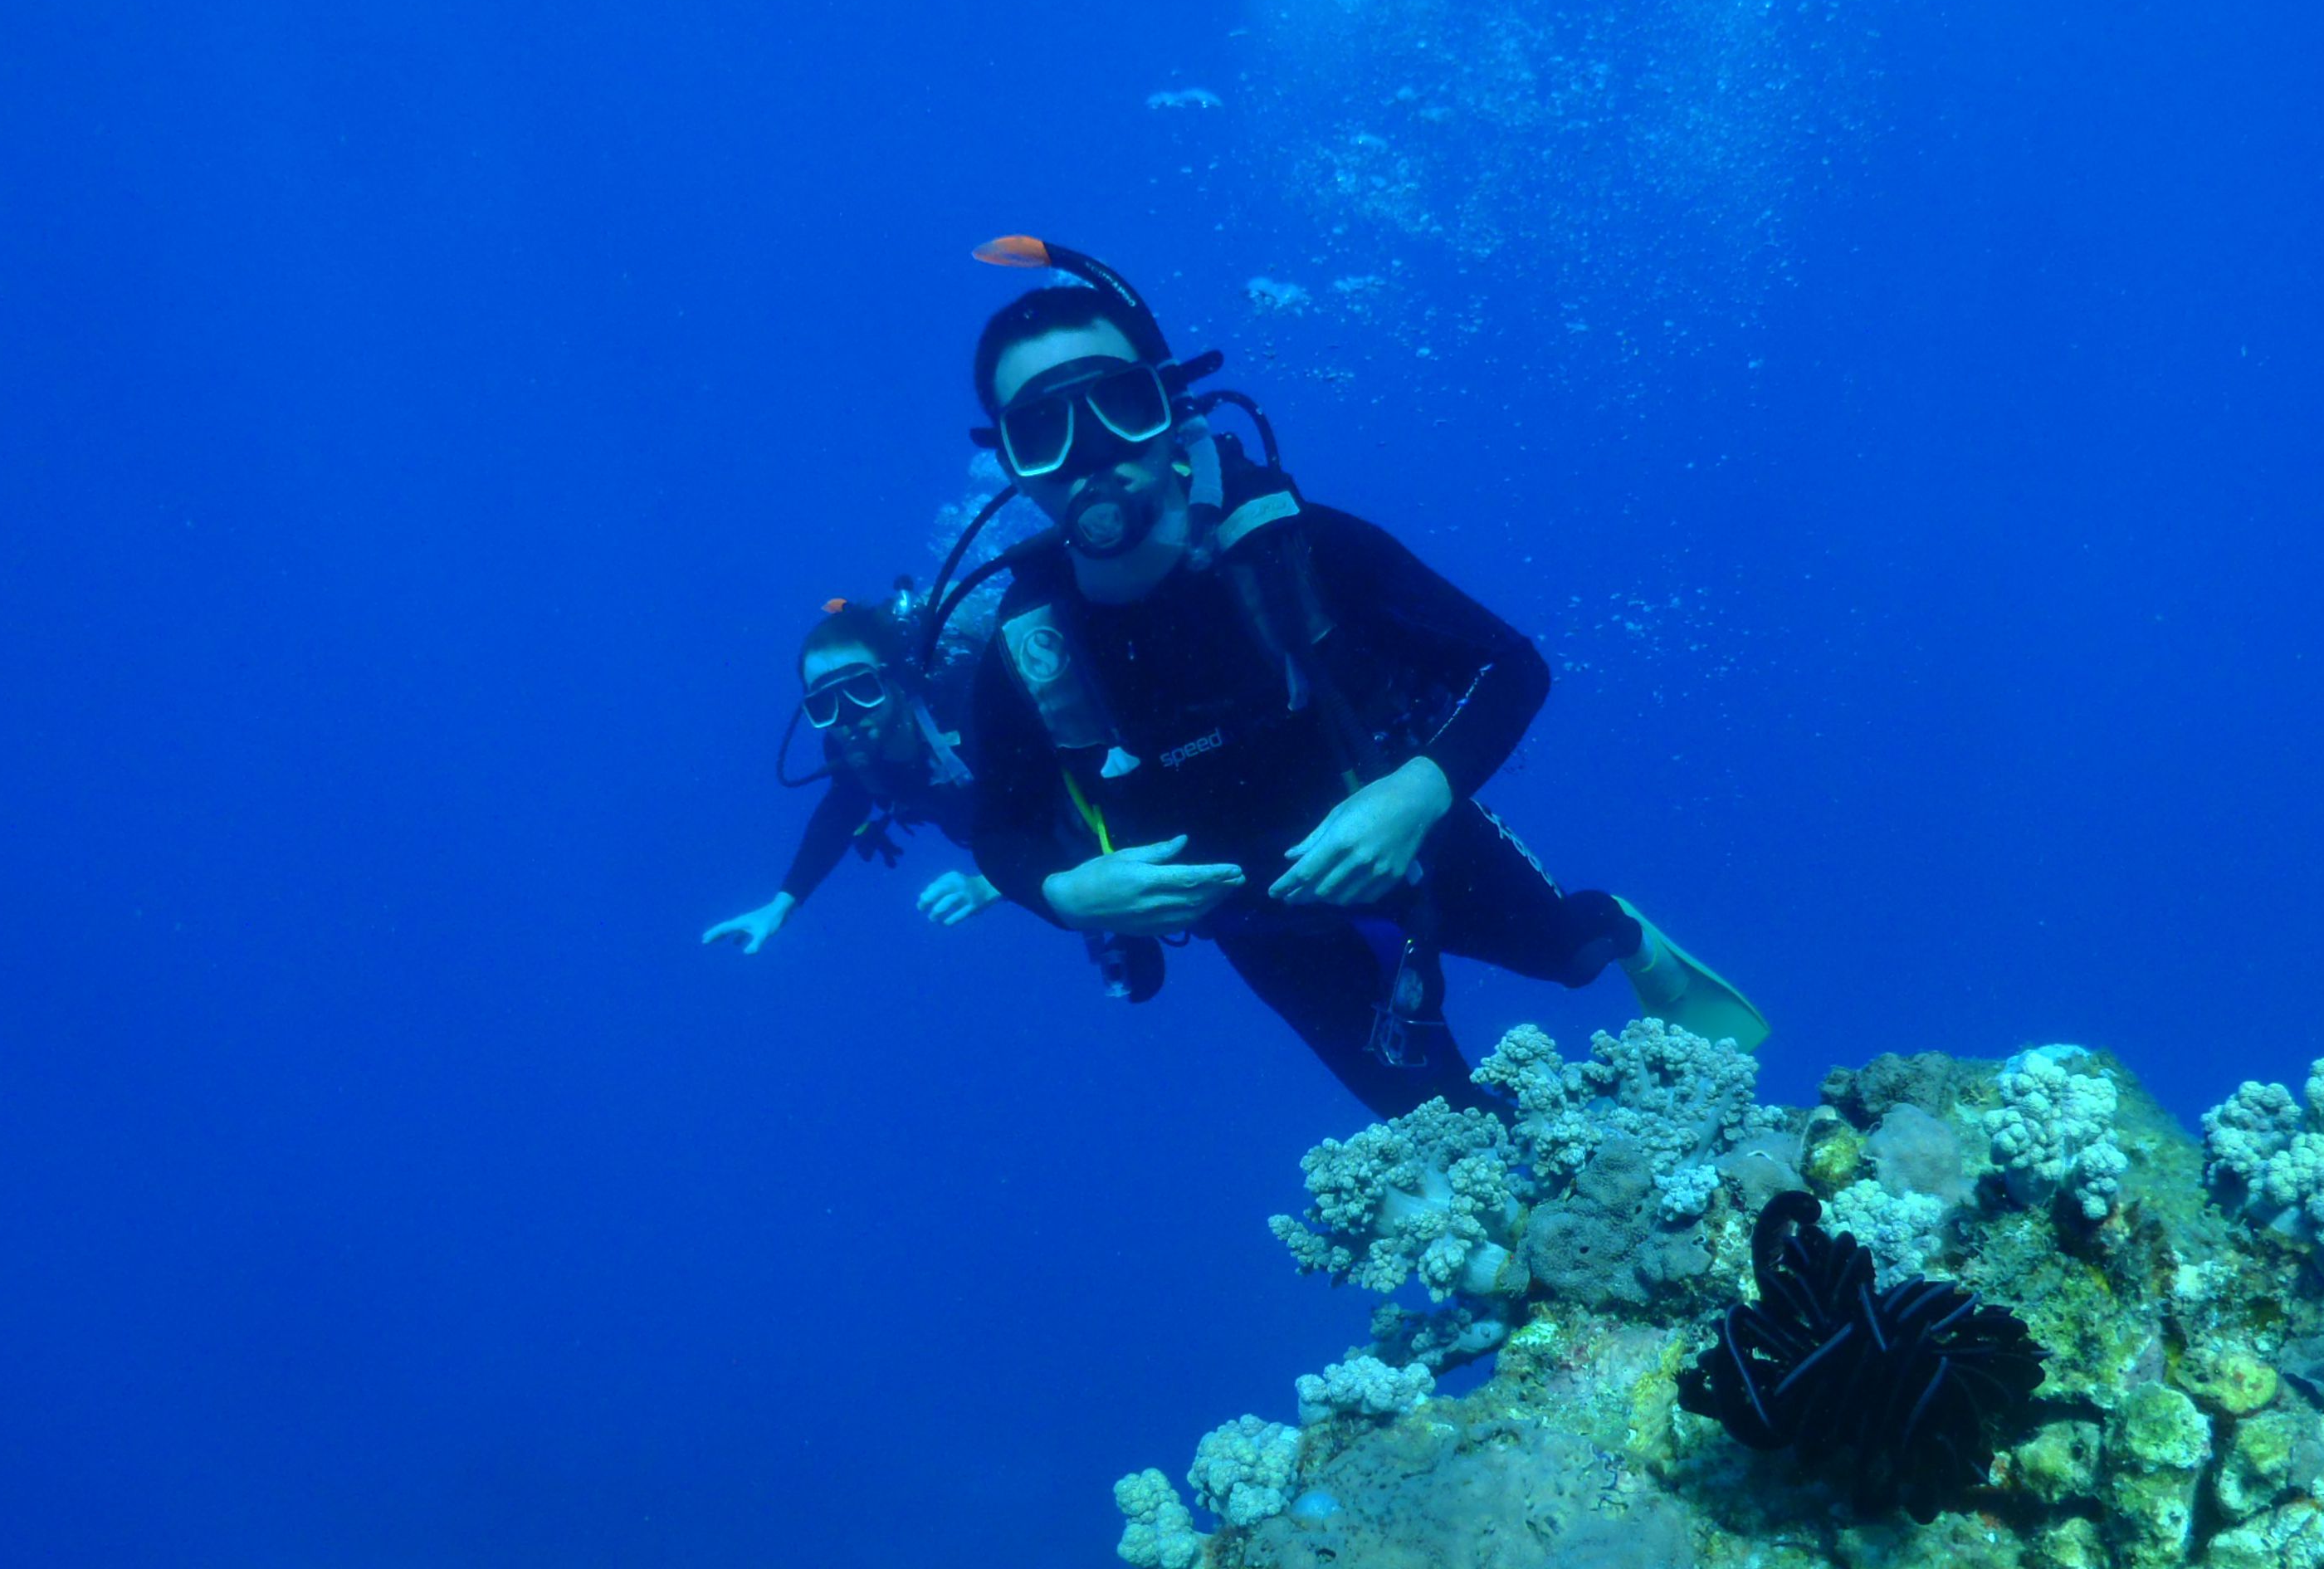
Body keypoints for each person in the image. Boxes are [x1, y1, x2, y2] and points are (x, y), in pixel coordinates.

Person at [952, 237, 1762, 1118]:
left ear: (1171, 406)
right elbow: (999, 826)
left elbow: (1511, 665)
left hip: (1420, 844)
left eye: (1117, 403)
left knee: (1568, 954)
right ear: (1009, 463)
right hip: (1265, 925)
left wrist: (1417, 793)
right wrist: (1065, 894)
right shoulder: (1026, 653)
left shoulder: (1299, 549)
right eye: (1042, 429)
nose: (1091, 451)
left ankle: (1629, 935)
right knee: (1441, 1135)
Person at [703, 596, 1168, 1000]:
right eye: (825, 706)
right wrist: (783, 902)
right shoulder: (852, 754)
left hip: (1077, 819)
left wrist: (988, 886)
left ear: (896, 681)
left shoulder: (975, 715)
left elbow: (1061, 809)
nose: (847, 717)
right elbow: (839, 811)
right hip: (1012, 842)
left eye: (860, 690)